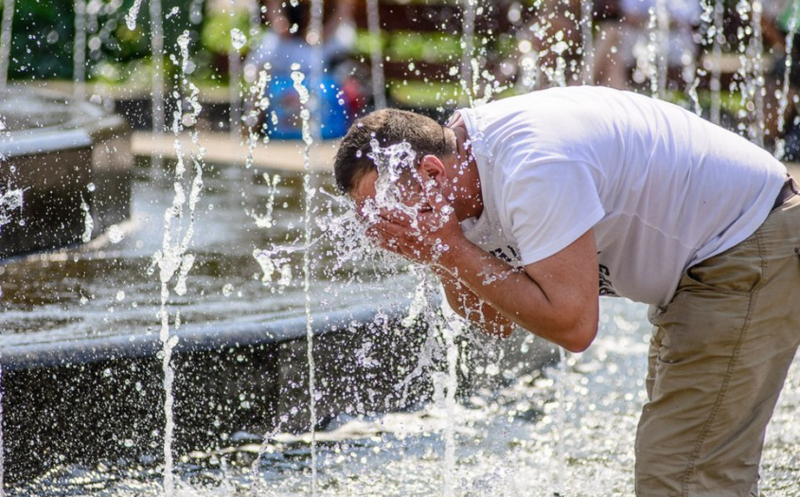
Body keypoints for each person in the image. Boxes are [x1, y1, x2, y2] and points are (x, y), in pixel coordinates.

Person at [333, 85, 800, 496]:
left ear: (432, 172)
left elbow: (575, 326)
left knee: (682, 475)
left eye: (383, 206)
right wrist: (439, 252)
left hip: (745, 241)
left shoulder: (531, 168)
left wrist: (450, 250)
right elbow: (494, 320)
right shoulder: (462, 177)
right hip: (710, 261)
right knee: (688, 465)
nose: (380, 227)